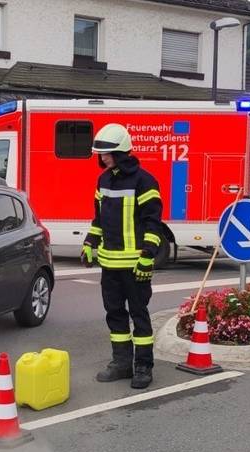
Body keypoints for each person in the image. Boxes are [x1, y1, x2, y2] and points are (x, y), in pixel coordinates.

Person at [83, 123, 165, 390]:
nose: (102, 158)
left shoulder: (145, 181)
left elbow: (153, 224)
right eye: (101, 154)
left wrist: (147, 256)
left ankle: (143, 366)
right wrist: (89, 242)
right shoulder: (103, 180)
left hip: (135, 266)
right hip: (110, 264)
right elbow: (99, 219)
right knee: (115, 314)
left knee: (139, 314)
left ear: (120, 153)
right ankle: (121, 363)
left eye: (106, 153)